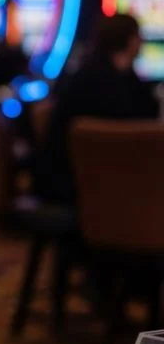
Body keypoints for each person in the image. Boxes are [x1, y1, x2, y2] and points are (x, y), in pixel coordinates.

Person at [36, 13, 159, 203]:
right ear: (130, 41)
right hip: (78, 186)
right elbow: (134, 133)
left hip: (81, 179)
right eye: (139, 36)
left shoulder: (110, 73)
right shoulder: (101, 81)